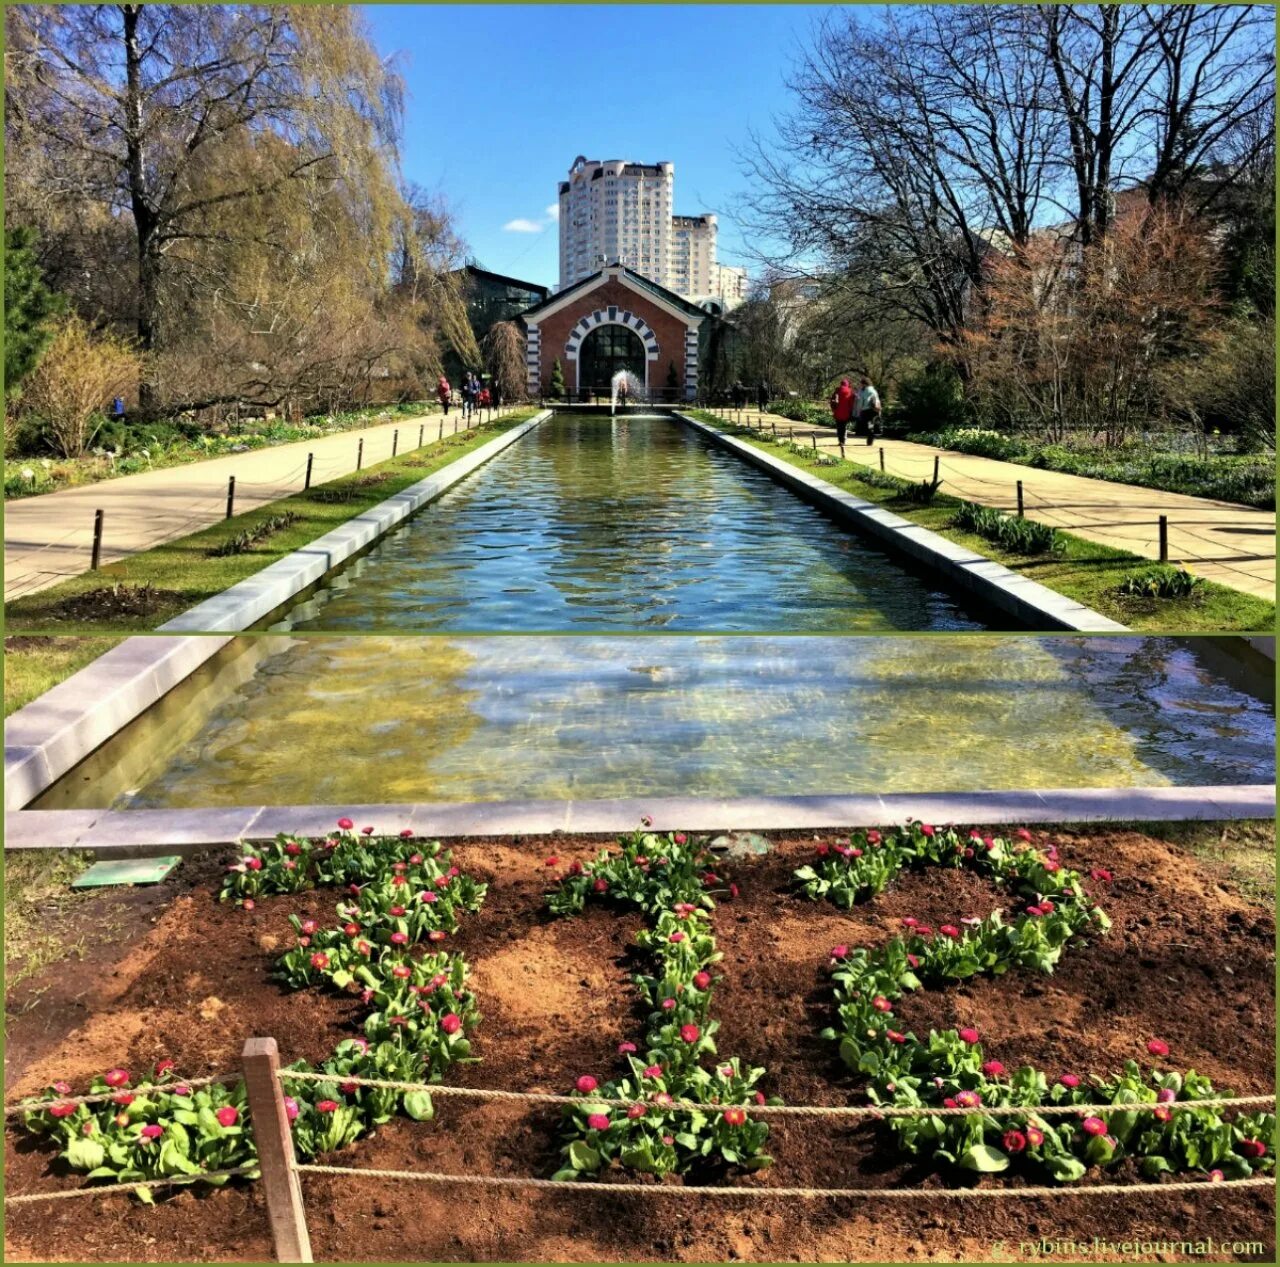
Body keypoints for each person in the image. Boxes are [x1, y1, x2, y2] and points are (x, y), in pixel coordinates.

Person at [829, 376, 855, 457]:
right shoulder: (850, 391)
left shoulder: (837, 390)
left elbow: (832, 401)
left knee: (839, 426)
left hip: (837, 412)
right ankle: (843, 441)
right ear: (847, 384)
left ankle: (840, 440)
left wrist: (833, 410)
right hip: (846, 412)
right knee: (844, 426)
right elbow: (852, 403)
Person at [856, 374, 882, 440]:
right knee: (872, 423)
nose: (860, 385)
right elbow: (877, 400)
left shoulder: (863, 391)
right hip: (874, 410)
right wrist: (879, 410)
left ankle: (870, 436)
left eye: (861, 384)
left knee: (867, 424)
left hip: (866, 410)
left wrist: (858, 411)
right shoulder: (874, 390)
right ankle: (871, 435)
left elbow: (860, 402)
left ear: (864, 384)